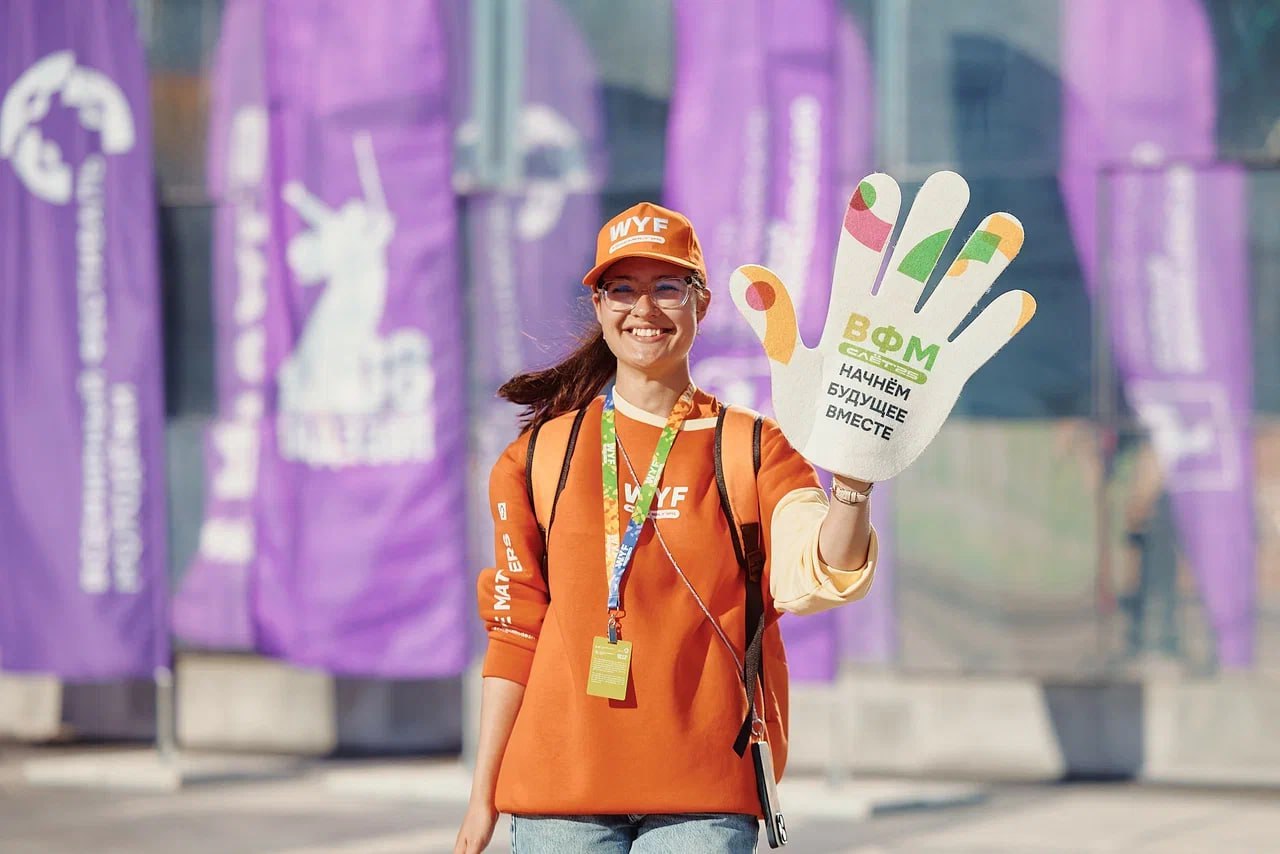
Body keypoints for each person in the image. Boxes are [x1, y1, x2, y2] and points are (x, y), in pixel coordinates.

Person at [454, 202, 878, 853]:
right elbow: (515, 635)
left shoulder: (752, 448)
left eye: (668, 287)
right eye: (622, 289)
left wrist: (853, 483)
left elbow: (819, 574)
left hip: (703, 796)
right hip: (557, 796)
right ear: (599, 306)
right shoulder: (537, 456)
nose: (644, 309)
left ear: (701, 302)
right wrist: (482, 798)